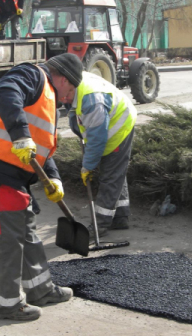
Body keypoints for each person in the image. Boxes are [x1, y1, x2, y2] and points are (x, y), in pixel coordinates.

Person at [0, 53, 83, 321]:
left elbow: (41, 145)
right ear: (64, 79)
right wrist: (20, 135)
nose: (69, 97)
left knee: (27, 233)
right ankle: (6, 305)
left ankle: (41, 290)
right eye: (71, 89)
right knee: (5, 240)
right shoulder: (33, 75)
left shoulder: (48, 95)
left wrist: (53, 178)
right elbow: (6, 91)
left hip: (14, 174)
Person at [67, 71, 136, 238]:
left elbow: (98, 140)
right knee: (115, 172)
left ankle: (100, 225)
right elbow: (76, 117)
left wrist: (87, 166)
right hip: (108, 123)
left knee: (110, 176)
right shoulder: (74, 82)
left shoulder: (92, 100)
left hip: (119, 127)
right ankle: (120, 217)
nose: (63, 100)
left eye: (66, 96)